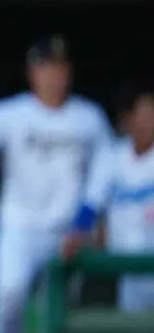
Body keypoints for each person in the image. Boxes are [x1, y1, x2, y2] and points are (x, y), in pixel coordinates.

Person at [0, 36, 114, 333]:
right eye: (46, 67)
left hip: (67, 232)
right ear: (32, 72)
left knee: (60, 312)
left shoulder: (89, 118)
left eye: (59, 67)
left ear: (69, 72)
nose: (53, 75)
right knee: (9, 298)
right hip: (20, 227)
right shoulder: (11, 113)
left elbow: (103, 176)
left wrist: (84, 225)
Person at [62, 79, 154, 313]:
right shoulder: (113, 156)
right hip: (129, 269)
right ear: (127, 119)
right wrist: (78, 233)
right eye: (143, 114)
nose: (149, 121)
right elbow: (91, 204)